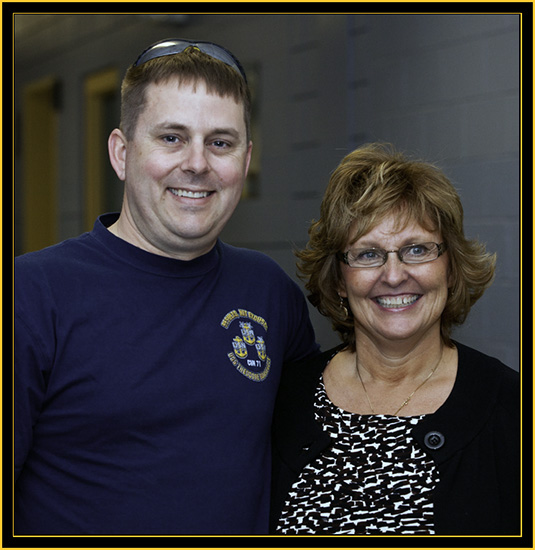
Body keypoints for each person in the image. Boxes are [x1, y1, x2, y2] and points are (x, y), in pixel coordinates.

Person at [14, 38, 319, 535]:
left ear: (244, 162)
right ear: (121, 152)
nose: (197, 163)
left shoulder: (269, 292)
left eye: (220, 142)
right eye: (172, 138)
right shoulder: (30, 296)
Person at [270, 143, 519, 535]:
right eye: (368, 254)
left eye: (417, 250)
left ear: (451, 267)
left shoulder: (512, 409)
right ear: (338, 280)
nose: (393, 274)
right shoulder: (282, 401)